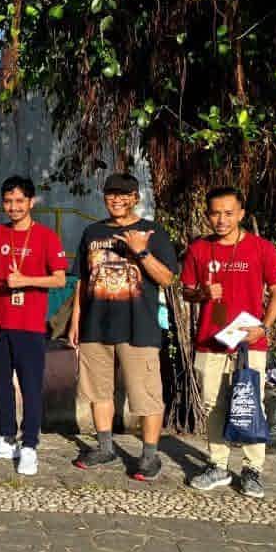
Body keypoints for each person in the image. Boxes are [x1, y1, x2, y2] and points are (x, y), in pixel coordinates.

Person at [70, 172, 178, 480]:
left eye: (123, 194)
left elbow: (167, 278)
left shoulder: (152, 231)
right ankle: (105, 448)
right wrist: (76, 320)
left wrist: (141, 251)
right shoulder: (92, 232)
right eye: (110, 194)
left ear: (135, 198)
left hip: (138, 327)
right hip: (96, 325)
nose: (116, 199)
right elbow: (83, 281)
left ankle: (149, 456)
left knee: (146, 394)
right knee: (98, 390)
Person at [181, 187, 276, 498]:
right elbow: (186, 291)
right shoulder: (198, 249)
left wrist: (263, 328)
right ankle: (218, 465)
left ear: (241, 214)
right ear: (207, 215)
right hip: (210, 342)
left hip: (249, 342)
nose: (222, 219)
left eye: (228, 213)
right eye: (215, 213)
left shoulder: (261, 248)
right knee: (212, 404)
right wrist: (202, 293)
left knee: (251, 402)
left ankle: (253, 469)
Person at [0, 177, 67, 475]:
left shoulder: (46, 237)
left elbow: (60, 279)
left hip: (30, 325)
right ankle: (5, 438)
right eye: (8, 201)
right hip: (0, 323)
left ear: (30, 202)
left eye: (19, 201)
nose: (13, 207)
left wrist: (26, 280)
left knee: (30, 386)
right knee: (1, 383)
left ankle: (29, 445)